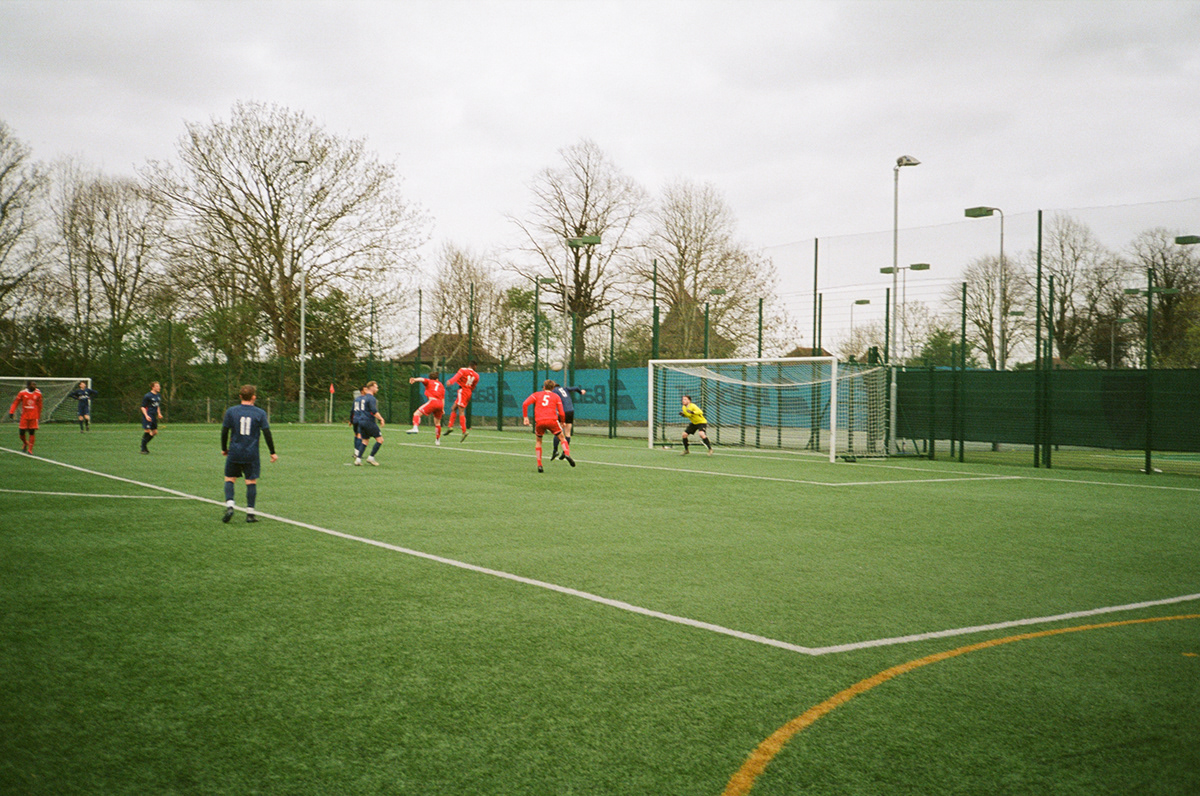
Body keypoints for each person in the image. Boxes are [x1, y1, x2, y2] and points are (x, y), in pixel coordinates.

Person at [220, 384, 277, 523]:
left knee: (230, 479)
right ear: (254, 397)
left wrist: (224, 448)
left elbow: (224, 431)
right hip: (251, 453)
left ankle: (230, 505)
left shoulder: (231, 411)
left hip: (235, 451)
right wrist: (272, 452)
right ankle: (250, 514)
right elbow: (267, 433)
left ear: (240, 396)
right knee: (251, 481)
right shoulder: (260, 413)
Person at [522, 379, 574, 473]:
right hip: (552, 421)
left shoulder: (536, 395)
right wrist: (563, 421)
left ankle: (539, 465)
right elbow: (561, 412)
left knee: (539, 441)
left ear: (544, 387)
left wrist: (525, 417)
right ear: (553, 388)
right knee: (562, 437)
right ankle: (566, 453)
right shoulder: (556, 396)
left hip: (540, 421)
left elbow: (525, 404)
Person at [549, 382, 586, 462]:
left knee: (558, 432)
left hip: (562, 411)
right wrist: (581, 392)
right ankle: (565, 452)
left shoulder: (554, 391)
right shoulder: (565, 389)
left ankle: (555, 450)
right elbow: (576, 388)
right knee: (567, 433)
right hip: (570, 411)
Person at [445, 360, 480, 441]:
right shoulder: (477, 375)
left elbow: (456, 377)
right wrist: (469, 391)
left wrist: (450, 381)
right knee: (453, 408)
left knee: (461, 410)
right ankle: (450, 427)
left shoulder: (463, 370)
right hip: (468, 392)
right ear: (474, 366)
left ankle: (464, 431)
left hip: (462, 391)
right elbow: (473, 385)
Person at [407, 371, 445, 445]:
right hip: (440, 404)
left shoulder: (429, 381)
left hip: (433, 402)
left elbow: (422, 379)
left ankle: (415, 428)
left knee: (416, 414)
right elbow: (443, 398)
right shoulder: (441, 385)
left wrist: (415, 379)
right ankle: (437, 440)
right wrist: (442, 408)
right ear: (437, 379)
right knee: (437, 423)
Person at [353, 381, 386, 466]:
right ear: (371, 387)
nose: (377, 389)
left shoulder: (362, 398)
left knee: (365, 441)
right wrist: (381, 419)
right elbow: (374, 411)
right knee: (380, 440)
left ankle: (358, 459)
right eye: (376, 387)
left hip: (361, 421)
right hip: (368, 421)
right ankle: (371, 457)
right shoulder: (371, 398)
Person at [8, 380, 43, 454]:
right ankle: (25, 443)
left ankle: (30, 450)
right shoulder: (22, 393)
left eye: (35, 384)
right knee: (21, 434)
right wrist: (11, 411)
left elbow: (40, 405)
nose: (34, 386)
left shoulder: (38, 393)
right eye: (33, 384)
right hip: (24, 416)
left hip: (33, 416)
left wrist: (39, 416)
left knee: (31, 432)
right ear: (28, 386)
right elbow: (16, 403)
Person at [139, 381, 163, 454]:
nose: (159, 387)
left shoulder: (158, 395)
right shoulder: (147, 396)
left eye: (159, 386)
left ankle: (144, 444)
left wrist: (159, 413)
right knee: (147, 431)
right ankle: (143, 448)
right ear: (153, 387)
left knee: (155, 432)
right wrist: (146, 416)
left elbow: (157, 405)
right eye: (157, 386)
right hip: (148, 415)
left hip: (153, 416)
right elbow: (142, 407)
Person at [349, 385, 368, 464]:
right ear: (362, 391)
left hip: (355, 419)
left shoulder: (356, 399)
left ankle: (355, 452)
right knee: (360, 435)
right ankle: (357, 453)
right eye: (366, 389)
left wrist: (350, 420)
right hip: (361, 419)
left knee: (356, 434)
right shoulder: (366, 399)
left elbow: (352, 410)